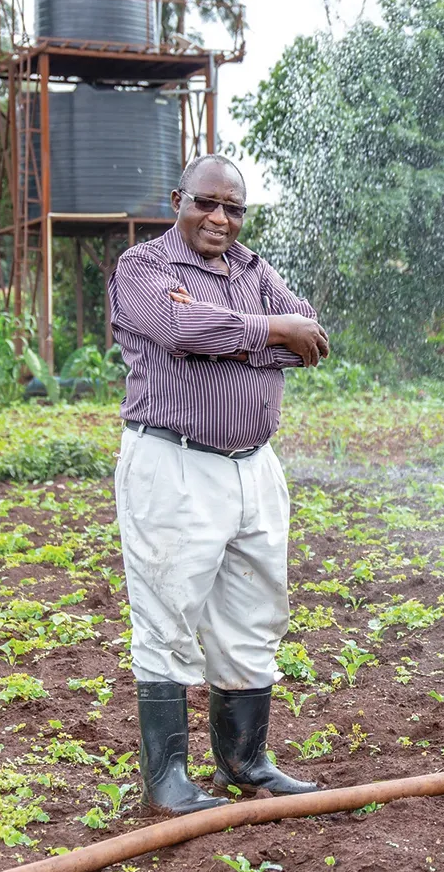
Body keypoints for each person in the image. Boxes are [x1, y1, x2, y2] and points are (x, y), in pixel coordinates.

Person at [108, 154, 329, 816]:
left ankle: (245, 762)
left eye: (234, 208)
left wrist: (231, 335)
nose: (220, 218)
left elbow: (310, 334)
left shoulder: (253, 268)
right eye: (208, 202)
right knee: (168, 612)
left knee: (254, 612)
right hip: (173, 463)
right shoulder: (143, 268)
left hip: (253, 466)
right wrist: (265, 331)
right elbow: (179, 329)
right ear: (179, 199)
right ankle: (168, 780)